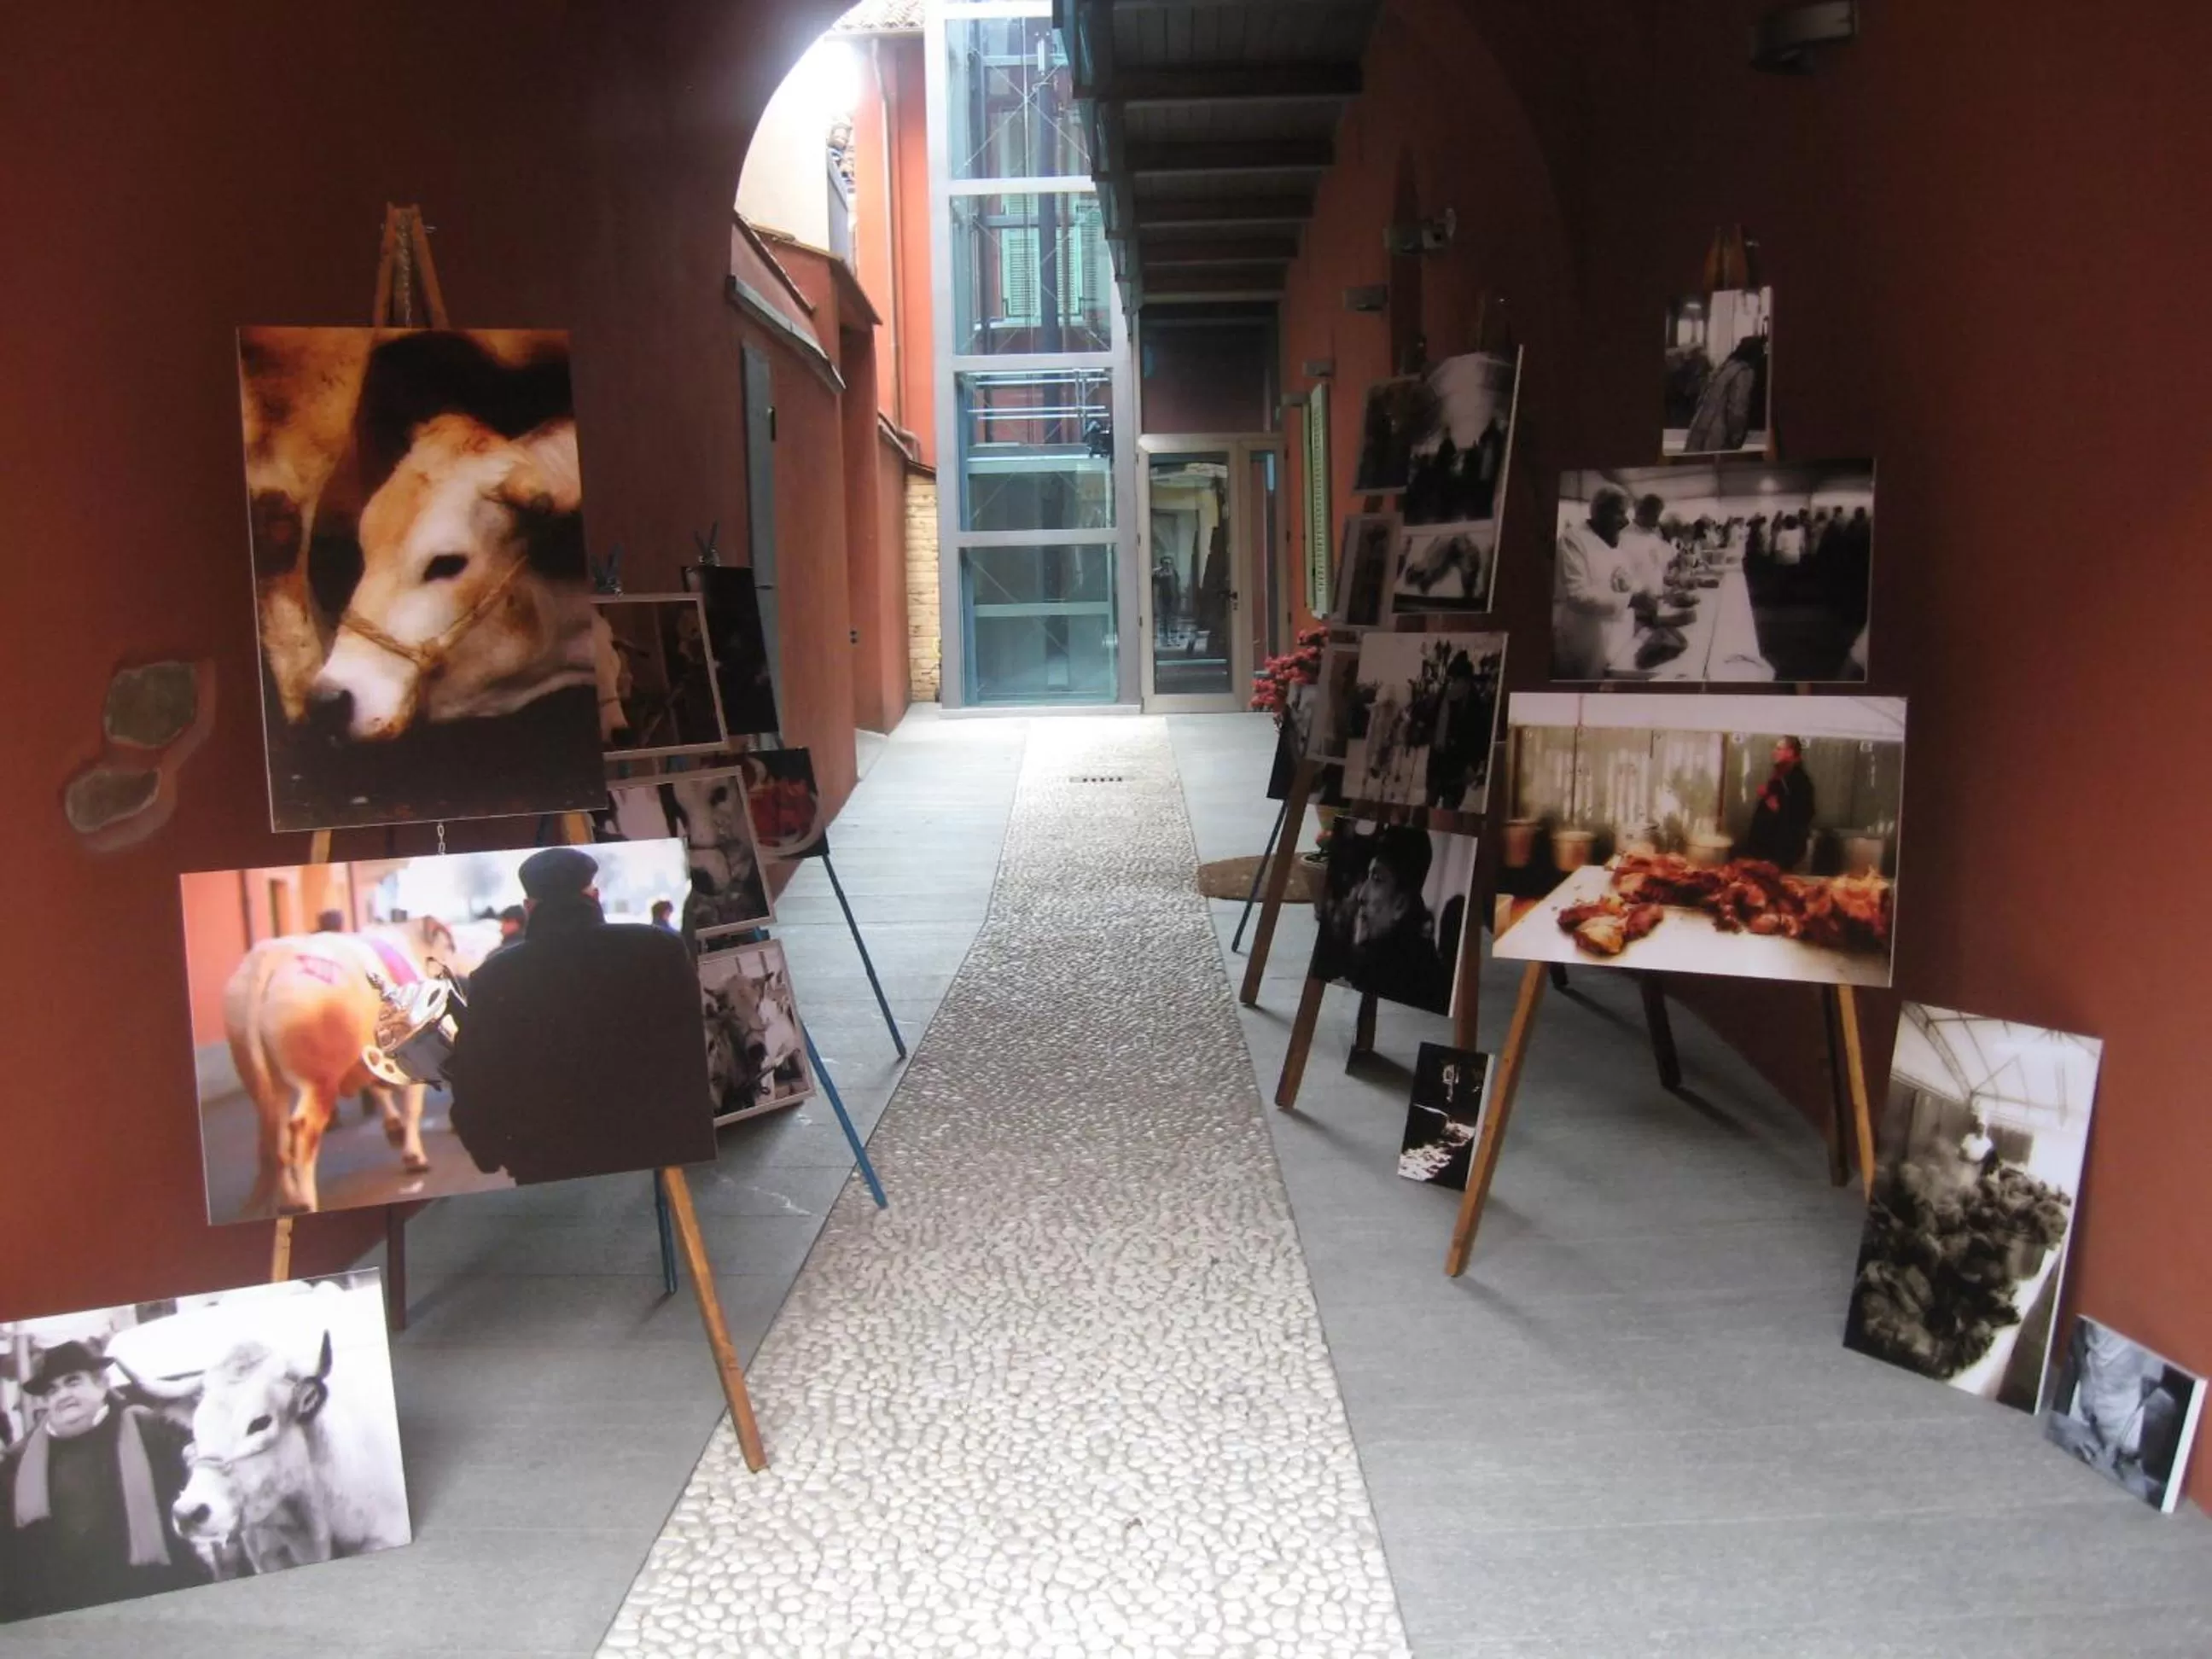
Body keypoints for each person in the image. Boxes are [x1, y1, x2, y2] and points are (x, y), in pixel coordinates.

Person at [445, 847, 714, 1186]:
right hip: (657, 1142)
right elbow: (697, 1043)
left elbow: (474, 1076)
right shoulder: (658, 949)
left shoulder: (494, 976)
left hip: (548, 1158)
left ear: (530, 907)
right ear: (594, 895)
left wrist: (488, 1152)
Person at [0, 1342, 204, 1621]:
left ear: (102, 1383)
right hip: (68, 1615)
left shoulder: (152, 1431)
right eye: (52, 1389)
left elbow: (204, 1485)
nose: (63, 1396)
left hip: (154, 1602)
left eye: (73, 1382)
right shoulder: (18, 1461)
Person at [1553, 486, 1637, 678]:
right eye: (1621, 513)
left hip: (1619, 642)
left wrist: (1643, 592)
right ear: (1600, 511)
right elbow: (1577, 596)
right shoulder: (1572, 540)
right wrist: (1630, 600)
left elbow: (1625, 580)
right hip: (1587, 645)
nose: (1626, 522)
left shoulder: (1616, 539)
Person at [1739, 736, 1817, 870]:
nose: (1774, 752)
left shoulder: (1799, 780)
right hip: (1767, 852)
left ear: (1791, 752)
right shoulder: (1782, 774)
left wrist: (1773, 803)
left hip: (1779, 854)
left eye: (1779, 749)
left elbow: (1803, 814)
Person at [1684, 334, 1766, 452]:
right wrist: (1736, 437)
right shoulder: (1744, 372)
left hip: (1701, 431)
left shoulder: (1726, 367)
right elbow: (1737, 409)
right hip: (1719, 438)